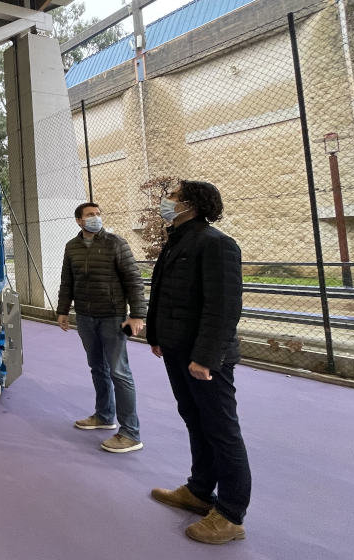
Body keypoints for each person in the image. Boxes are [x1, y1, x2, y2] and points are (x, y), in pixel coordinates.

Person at [145, 180, 249, 545]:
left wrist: (205, 357)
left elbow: (223, 308)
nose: (166, 201)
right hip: (177, 350)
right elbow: (162, 293)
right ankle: (200, 491)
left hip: (204, 359)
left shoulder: (216, 244)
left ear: (189, 204)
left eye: (172, 196)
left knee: (221, 430)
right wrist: (156, 336)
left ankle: (231, 514)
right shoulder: (177, 241)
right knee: (195, 420)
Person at [56, 202, 146, 453]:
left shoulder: (116, 243)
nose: (96, 218)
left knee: (119, 372)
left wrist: (137, 314)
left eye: (98, 214)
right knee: (97, 368)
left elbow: (134, 280)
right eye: (90, 215)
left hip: (113, 317)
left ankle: (130, 432)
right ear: (79, 221)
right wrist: (63, 311)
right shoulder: (71, 247)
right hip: (85, 317)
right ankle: (104, 416)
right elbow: (67, 281)